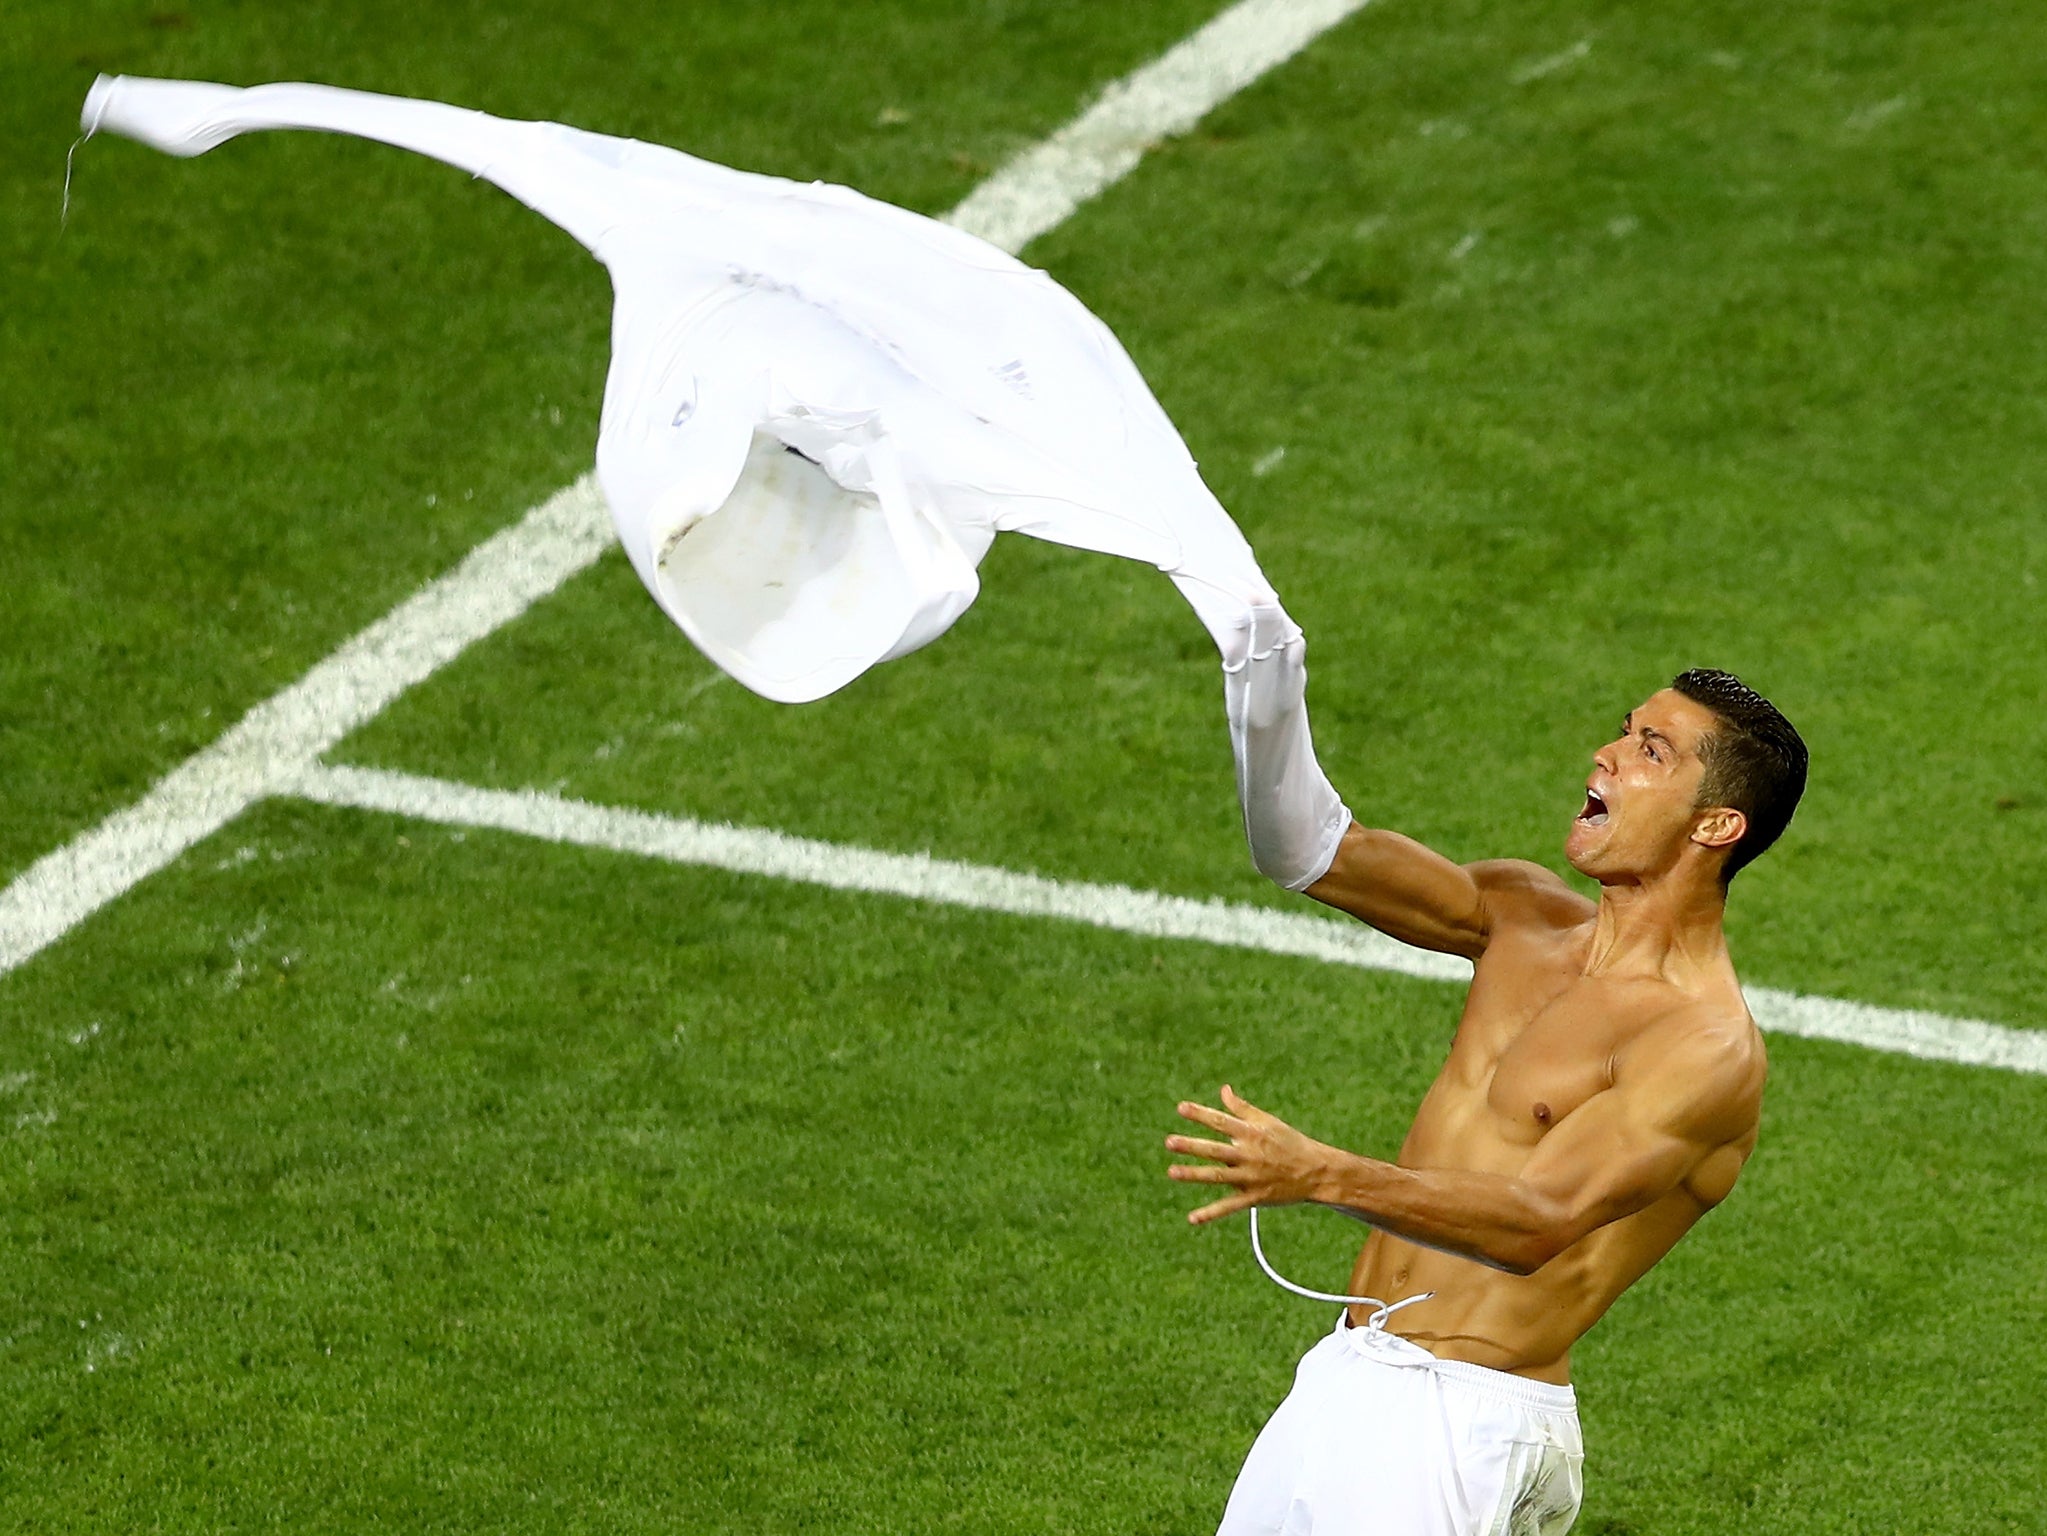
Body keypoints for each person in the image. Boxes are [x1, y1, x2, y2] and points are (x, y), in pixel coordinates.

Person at [80, 74, 1278, 702]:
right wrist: (207, 112)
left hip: (869, 427)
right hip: (820, 429)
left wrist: (206, 110)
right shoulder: (660, 258)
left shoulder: (922, 428)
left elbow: (466, 132)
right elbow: (468, 134)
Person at [1170, 625, 1807, 1536]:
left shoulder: (1701, 1045)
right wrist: (1262, 669)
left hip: (1462, 1420)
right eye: (1625, 731)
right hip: (1350, 1370)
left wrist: (1320, 1175)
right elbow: (1306, 850)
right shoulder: (1518, 918)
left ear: (1715, 825)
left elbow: (1534, 1224)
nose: (1608, 754)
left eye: (1650, 751)